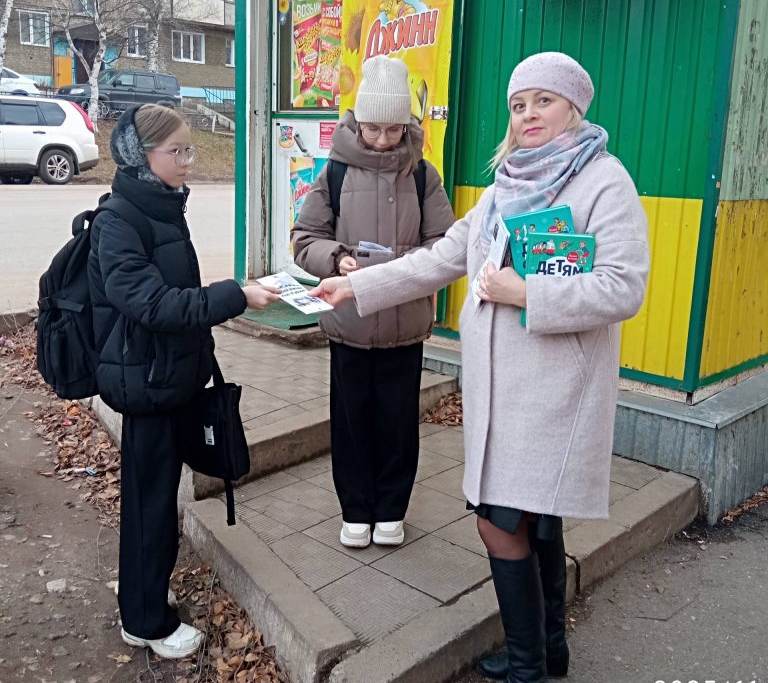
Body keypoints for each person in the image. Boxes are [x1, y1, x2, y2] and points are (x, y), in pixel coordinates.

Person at [310, 52, 650, 682]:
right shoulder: (504, 188)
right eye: (519, 105)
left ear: (574, 106)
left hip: (555, 391)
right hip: (501, 391)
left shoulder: (604, 181)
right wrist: (356, 287)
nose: (528, 115)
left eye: (542, 101)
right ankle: (548, 653)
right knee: (532, 519)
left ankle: (528, 665)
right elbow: (439, 260)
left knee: (501, 521)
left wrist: (528, 294)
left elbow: (624, 287)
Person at [87, 104, 279, 659]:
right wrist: (235, 295)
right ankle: (144, 620)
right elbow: (149, 303)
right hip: (146, 384)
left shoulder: (162, 207)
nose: (189, 161)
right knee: (149, 503)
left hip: (169, 377)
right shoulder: (120, 220)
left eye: (189, 149)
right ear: (141, 156)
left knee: (156, 498)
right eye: (178, 151)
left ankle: (142, 592)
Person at [291, 56, 454, 548]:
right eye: (373, 128)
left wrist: (405, 266)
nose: (383, 139)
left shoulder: (423, 176)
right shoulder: (335, 173)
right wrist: (336, 258)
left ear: (407, 124)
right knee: (351, 422)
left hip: (405, 326)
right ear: (356, 121)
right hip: (349, 324)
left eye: (392, 129)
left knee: (398, 424)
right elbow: (304, 236)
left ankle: (391, 510)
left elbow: (444, 244)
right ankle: (356, 510)